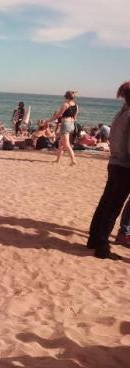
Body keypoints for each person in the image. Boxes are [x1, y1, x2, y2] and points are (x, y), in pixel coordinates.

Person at [87, 81, 130, 259]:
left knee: (106, 203)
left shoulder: (121, 112)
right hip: (125, 165)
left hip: (115, 163)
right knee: (112, 208)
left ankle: (94, 240)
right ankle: (102, 247)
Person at [52, 91, 78, 165]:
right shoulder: (76, 105)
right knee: (61, 143)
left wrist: (48, 120)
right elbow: (75, 117)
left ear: (66, 97)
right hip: (71, 124)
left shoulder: (65, 104)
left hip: (65, 124)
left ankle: (73, 160)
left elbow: (59, 115)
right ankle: (57, 160)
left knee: (66, 144)